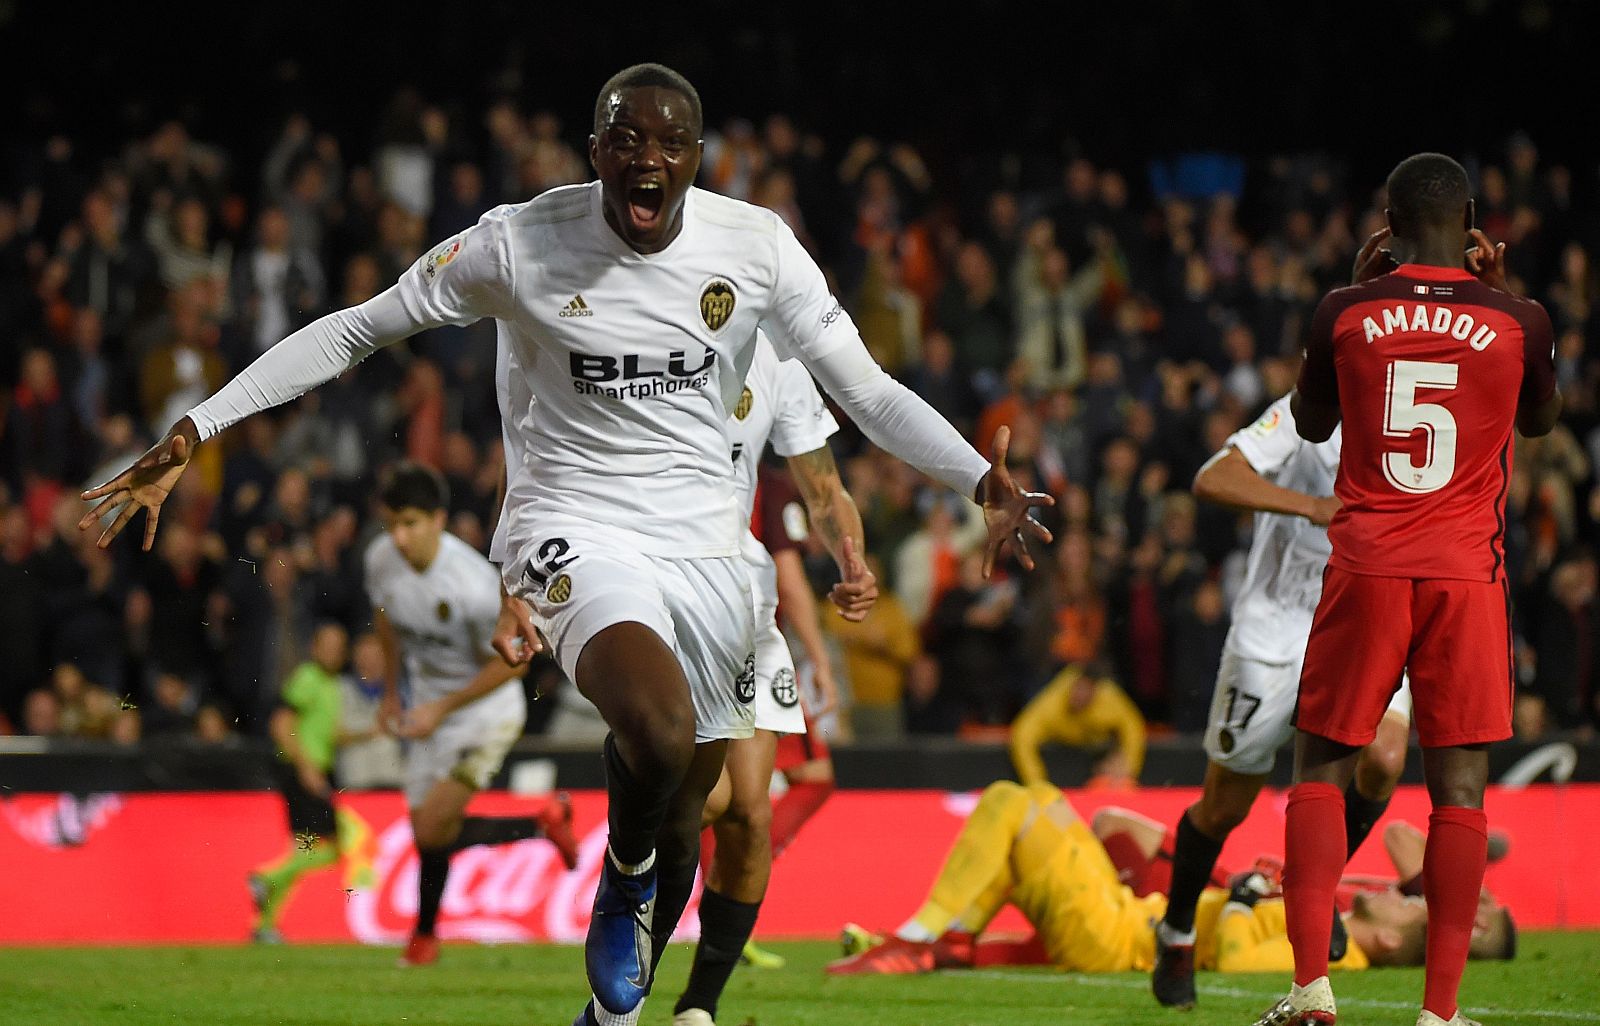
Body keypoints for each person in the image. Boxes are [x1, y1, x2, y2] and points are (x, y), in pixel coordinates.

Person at [80, 63, 1050, 1026]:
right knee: (659, 731)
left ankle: (615, 1014)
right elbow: (355, 331)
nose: (648, 160)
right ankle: (619, 882)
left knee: (686, 819)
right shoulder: (517, 243)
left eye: (670, 144)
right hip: (570, 527)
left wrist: (977, 479)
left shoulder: (755, 250)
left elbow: (869, 391)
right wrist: (196, 430)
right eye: (626, 140)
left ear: (696, 159)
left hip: (710, 553)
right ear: (597, 153)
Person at [1262, 153, 1560, 1026]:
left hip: (1366, 564)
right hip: (1467, 575)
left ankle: (1312, 990)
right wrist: (1503, 294)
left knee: (1322, 765)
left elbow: (1312, 422)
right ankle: (1439, 1014)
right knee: (1459, 788)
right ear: (1472, 225)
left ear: (1385, 227)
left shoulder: (1345, 311)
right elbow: (1539, 420)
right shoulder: (1520, 320)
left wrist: (1351, 296)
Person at [1151, 392, 1416, 1009]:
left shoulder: (1413, 408)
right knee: (1224, 804)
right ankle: (1178, 929)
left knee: (1384, 757)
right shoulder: (1310, 411)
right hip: (1274, 631)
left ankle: (1310, 887)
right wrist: (1312, 506)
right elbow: (1214, 477)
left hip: (1359, 621)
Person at [671, 332, 866, 1026]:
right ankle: (634, 910)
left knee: (750, 813)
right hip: (669, 604)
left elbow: (825, 494)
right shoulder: (653, 349)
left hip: (751, 617)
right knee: (712, 801)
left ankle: (699, 1004)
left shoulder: (778, 379)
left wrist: (853, 562)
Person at [825, 781, 1423, 979]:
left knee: (1014, 803)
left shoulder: (1342, 961)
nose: (1397, 896)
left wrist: (1240, 902)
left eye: (1407, 909)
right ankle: (943, 945)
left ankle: (923, 936)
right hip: (1125, 917)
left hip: (1119, 939)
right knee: (1034, 800)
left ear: (1393, 942)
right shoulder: (1336, 921)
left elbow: (1240, 962)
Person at [365, 463, 578, 967]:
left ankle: (424, 935)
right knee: (428, 829)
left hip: (485, 710)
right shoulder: (379, 560)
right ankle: (426, 936)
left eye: (411, 523)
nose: (399, 537)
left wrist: (442, 707)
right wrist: (393, 694)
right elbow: (386, 622)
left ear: (439, 519)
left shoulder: (475, 586)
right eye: (391, 524)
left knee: (433, 826)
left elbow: (514, 667)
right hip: (428, 708)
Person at [1091, 807, 1517, 963]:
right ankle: (1120, 908)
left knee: (1112, 827)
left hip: (1233, 899)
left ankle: (1125, 912)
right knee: (1111, 825)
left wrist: (1464, 878)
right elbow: (1397, 833)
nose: (1482, 898)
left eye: (1486, 906)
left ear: (1477, 928)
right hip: (1242, 883)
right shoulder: (1407, 904)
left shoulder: (1410, 917)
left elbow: (1400, 838)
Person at [248, 622, 358, 943]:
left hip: (308, 770)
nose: (334, 652)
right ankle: (266, 877)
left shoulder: (329, 684)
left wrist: (374, 731)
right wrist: (306, 767)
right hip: (302, 772)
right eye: (328, 645)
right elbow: (281, 724)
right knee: (335, 847)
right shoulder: (308, 679)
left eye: (339, 647)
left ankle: (265, 926)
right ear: (314, 647)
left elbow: (330, 734)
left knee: (300, 851)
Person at [1009, 663, 1146, 788]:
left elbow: (1133, 727)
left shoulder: (1108, 698)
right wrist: (1037, 783)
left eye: (1086, 690)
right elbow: (1022, 737)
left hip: (1100, 753)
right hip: (1061, 753)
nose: (1080, 695)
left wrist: (1130, 767)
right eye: (1078, 688)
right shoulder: (1051, 704)